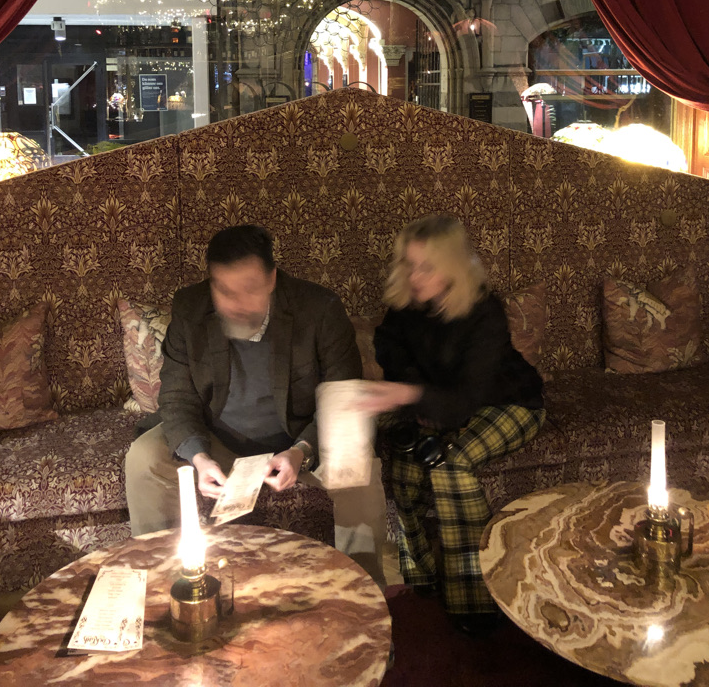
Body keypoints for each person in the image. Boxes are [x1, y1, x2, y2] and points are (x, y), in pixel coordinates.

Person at [125, 223, 388, 588]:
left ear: (272, 278)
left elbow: (343, 399)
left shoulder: (320, 309)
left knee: (358, 465)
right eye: (224, 290)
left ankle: (364, 591)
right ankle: (162, 585)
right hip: (216, 438)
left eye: (249, 289)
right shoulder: (190, 308)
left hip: (296, 441)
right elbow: (176, 396)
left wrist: (301, 450)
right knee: (143, 459)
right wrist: (199, 458)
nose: (236, 303)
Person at [360, 215, 545, 634]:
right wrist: (413, 394)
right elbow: (391, 350)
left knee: (449, 464)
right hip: (440, 403)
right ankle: (420, 575)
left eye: (427, 267)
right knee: (405, 464)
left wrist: (410, 395)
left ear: (453, 266)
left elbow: (465, 399)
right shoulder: (406, 305)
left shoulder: (484, 310)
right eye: (409, 265)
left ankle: (476, 597)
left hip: (510, 403)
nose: (414, 277)